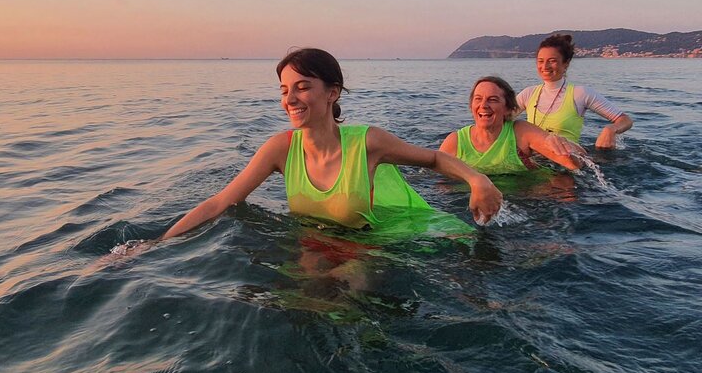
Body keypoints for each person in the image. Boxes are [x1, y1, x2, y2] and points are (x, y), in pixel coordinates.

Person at [161, 48, 503, 240]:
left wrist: (478, 180)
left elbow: (433, 159)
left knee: (343, 311)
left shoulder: (368, 142)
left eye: (303, 87)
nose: (290, 99)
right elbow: (221, 201)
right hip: (314, 244)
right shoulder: (279, 149)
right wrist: (155, 246)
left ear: (332, 92)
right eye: (284, 89)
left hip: (369, 248)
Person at [440, 76, 585, 175]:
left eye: (493, 100)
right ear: (472, 105)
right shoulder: (455, 142)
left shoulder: (521, 132)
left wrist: (563, 147)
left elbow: (574, 165)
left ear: (508, 108)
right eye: (478, 99)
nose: (483, 105)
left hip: (524, 196)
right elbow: (436, 182)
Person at [517, 34, 633, 149]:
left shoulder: (580, 94)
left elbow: (625, 120)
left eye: (552, 61)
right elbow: (502, 118)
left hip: (566, 162)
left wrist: (610, 130)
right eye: (540, 61)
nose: (545, 66)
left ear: (566, 63)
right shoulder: (529, 93)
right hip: (532, 161)